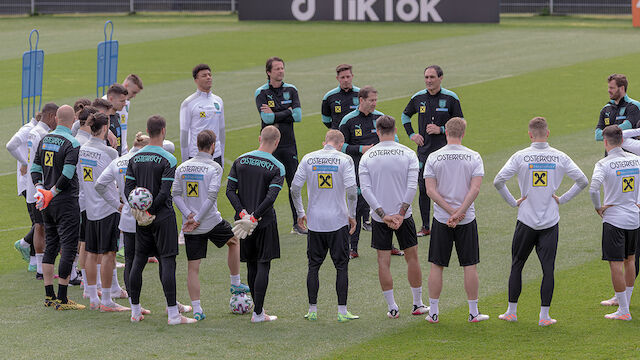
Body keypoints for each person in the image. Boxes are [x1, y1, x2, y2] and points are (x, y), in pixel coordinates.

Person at [494, 117, 588, 326]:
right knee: (548, 269)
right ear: (547, 133)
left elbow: (498, 180)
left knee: (517, 265)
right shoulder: (560, 157)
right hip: (550, 221)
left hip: (525, 219)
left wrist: (513, 202)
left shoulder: (520, 156)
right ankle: (544, 316)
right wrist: (562, 199)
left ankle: (511, 311)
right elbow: (583, 180)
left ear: (530, 134)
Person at [125, 115, 196, 325]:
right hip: (162, 217)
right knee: (167, 261)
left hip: (141, 219)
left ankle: (135, 311)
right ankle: (174, 314)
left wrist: (140, 210)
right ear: (163, 131)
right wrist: (152, 211)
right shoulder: (168, 158)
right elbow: (166, 192)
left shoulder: (135, 157)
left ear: (148, 131)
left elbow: (128, 189)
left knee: (138, 261)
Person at [172, 130, 250, 321]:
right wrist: (198, 217)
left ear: (196, 145)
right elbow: (212, 196)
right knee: (233, 240)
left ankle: (197, 309)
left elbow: (175, 194)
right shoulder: (215, 167)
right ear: (213, 146)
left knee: (193, 267)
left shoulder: (182, 167)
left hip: (191, 225)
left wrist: (188, 215)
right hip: (210, 220)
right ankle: (235, 282)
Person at [358, 115, 427, 319]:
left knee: (383, 261)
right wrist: (400, 214)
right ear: (395, 130)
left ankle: (392, 308)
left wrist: (383, 214)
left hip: (380, 218)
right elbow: (412, 186)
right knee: (412, 257)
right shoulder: (408, 153)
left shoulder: (367, 157)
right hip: (403, 216)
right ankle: (417, 304)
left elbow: (366, 190)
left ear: (377, 131)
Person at [290, 129, 360, 321]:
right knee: (341, 266)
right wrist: (352, 215)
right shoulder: (344, 159)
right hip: (337, 221)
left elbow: (295, 188)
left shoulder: (308, 158)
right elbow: (352, 192)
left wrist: (300, 213)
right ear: (340, 144)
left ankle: (312, 310)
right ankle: (342, 312)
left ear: (324, 142)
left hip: (315, 222)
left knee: (313, 266)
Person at [424, 117, 486, 324]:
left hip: (442, 218)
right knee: (470, 265)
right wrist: (460, 212)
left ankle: (433, 312)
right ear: (463, 133)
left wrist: (450, 212)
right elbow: (475, 189)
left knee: (436, 265)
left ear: (446, 133)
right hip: (467, 218)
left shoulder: (434, 157)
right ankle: (473, 312)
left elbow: (430, 191)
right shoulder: (473, 156)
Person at [226, 125, 284, 323]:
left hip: (243, 224)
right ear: (276, 142)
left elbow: (229, 191)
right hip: (264, 222)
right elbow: (270, 198)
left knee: (251, 264)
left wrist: (243, 214)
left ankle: (257, 310)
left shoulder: (240, 160)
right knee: (263, 264)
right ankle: (258, 313)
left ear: (260, 138)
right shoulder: (277, 166)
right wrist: (255, 217)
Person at [30, 104, 85, 310]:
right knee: (69, 247)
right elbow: (68, 174)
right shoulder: (72, 142)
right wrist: (52, 192)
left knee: (51, 245)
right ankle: (62, 299)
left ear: (57, 119)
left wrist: (40, 189)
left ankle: (48, 294)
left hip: (46, 202)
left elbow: (35, 168)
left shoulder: (45, 139)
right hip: (65, 200)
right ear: (72, 121)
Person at [339, 86, 402, 258]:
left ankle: (389, 245)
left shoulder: (380, 118)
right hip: (359, 171)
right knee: (358, 209)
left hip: (380, 172)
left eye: (376, 100)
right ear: (361, 100)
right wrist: (361, 149)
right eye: (371, 100)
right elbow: (341, 146)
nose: (374, 103)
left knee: (385, 205)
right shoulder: (348, 120)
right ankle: (353, 248)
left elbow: (395, 140)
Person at [402, 65, 463, 238]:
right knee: (423, 188)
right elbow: (405, 116)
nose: (428, 81)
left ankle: (450, 218)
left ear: (440, 78)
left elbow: (460, 122)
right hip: (424, 152)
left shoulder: (451, 98)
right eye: (426, 77)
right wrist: (412, 134)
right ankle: (426, 226)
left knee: (446, 187)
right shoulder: (418, 98)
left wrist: (441, 130)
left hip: (446, 152)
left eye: (432, 77)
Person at [96, 132, 152, 315]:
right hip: (147, 219)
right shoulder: (147, 161)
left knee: (130, 262)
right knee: (163, 260)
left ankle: (134, 306)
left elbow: (99, 185)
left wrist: (117, 205)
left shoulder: (119, 161)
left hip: (127, 218)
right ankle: (172, 304)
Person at [77, 112, 128, 312]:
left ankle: (92, 296)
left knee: (90, 251)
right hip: (107, 207)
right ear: (106, 128)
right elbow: (114, 181)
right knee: (108, 254)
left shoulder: (81, 149)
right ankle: (106, 300)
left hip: (89, 207)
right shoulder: (110, 153)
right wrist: (119, 204)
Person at [589, 125, 639, 321]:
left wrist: (598, 207)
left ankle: (624, 311)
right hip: (634, 218)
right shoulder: (637, 159)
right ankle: (625, 302)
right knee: (631, 260)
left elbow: (594, 189)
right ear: (622, 141)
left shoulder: (604, 164)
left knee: (616, 263)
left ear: (606, 142)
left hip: (614, 219)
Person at [254, 56, 305, 235]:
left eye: (282, 68)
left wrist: (276, 114)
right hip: (269, 147)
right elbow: (266, 120)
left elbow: (298, 116)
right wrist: (287, 112)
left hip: (289, 145)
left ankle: (298, 224)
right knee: (265, 186)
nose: (281, 71)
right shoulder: (261, 92)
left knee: (294, 185)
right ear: (268, 72)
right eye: (277, 69)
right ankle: (260, 222)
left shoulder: (291, 90)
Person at [25, 105, 58, 280]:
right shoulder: (44, 135)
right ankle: (40, 268)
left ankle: (39, 267)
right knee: (42, 226)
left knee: (39, 225)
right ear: (52, 116)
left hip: (32, 186)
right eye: (56, 118)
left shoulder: (33, 131)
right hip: (40, 186)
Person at [7, 112, 38, 271]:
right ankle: (24, 243)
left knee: (37, 221)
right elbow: (10, 145)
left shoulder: (33, 129)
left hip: (31, 182)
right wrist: (24, 162)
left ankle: (33, 261)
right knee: (40, 222)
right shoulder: (28, 130)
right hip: (28, 183)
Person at [180, 64, 225, 167]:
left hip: (216, 155)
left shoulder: (218, 101)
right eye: (204, 75)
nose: (208, 77)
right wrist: (185, 162)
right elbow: (184, 135)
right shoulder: (188, 103)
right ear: (196, 80)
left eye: (210, 74)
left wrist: (221, 157)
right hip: (196, 156)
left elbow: (222, 131)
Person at [595, 74, 640, 142]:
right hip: (610, 152)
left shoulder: (634, 106)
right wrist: (619, 128)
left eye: (612, 88)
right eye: (609, 87)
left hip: (630, 152)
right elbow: (597, 136)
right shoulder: (606, 109)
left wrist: (605, 132)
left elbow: (627, 126)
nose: (608, 90)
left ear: (622, 88)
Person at [321, 64, 360, 130]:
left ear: (352, 76)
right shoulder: (329, 96)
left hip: (357, 135)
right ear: (337, 78)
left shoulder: (361, 94)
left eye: (348, 77)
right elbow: (326, 120)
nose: (346, 80)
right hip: (338, 135)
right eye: (342, 77)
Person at [106, 84, 128, 155]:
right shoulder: (103, 120)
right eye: (122, 101)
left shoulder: (117, 116)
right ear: (111, 99)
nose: (125, 104)